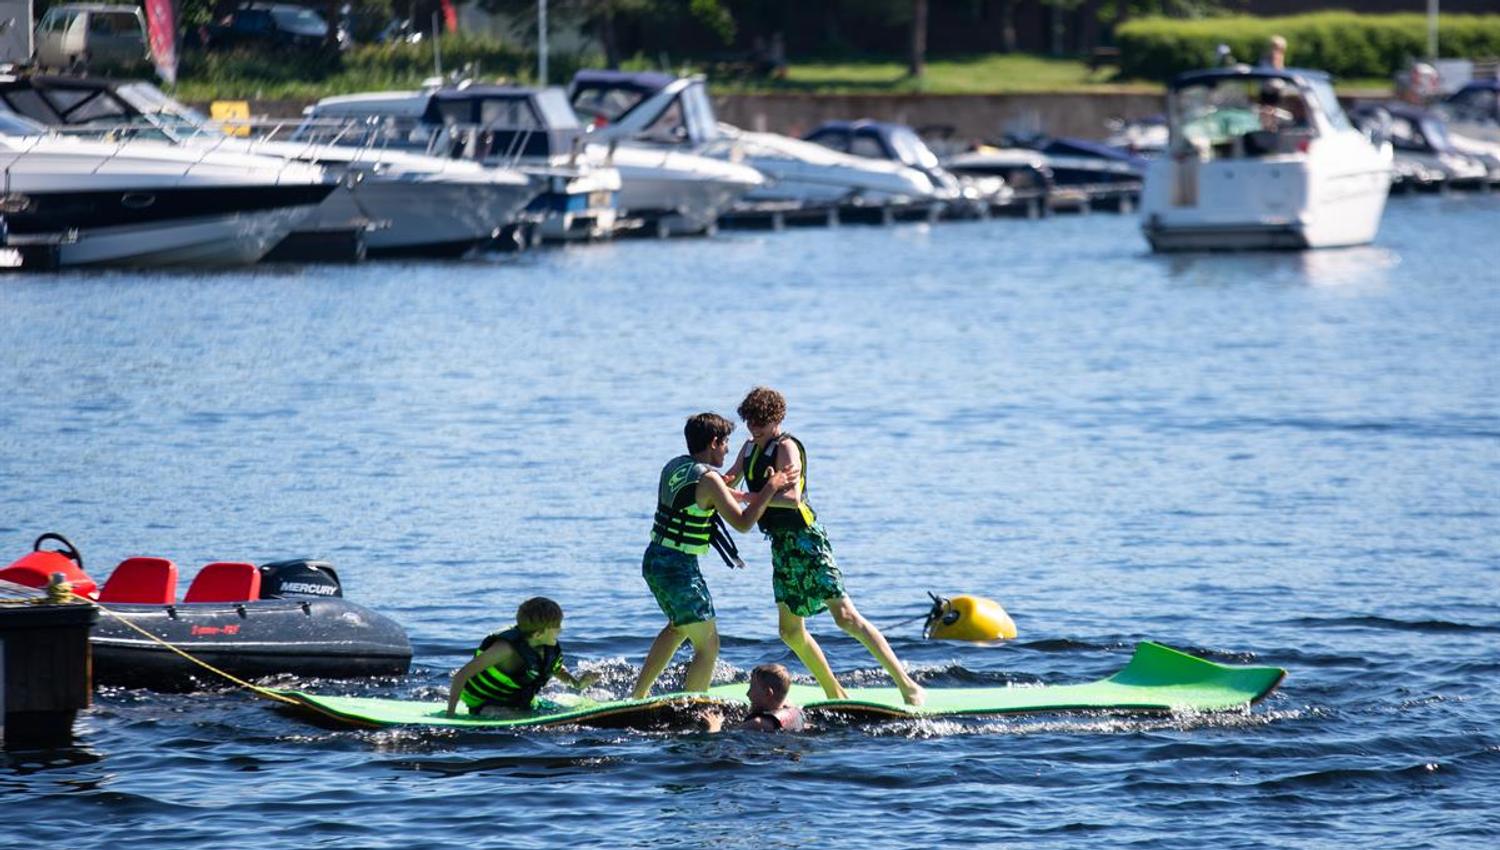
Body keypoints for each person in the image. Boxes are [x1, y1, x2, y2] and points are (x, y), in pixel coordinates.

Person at [726, 387, 924, 706]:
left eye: (761, 421)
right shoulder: (749, 449)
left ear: (778, 419)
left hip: (807, 540)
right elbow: (729, 480)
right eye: (750, 421)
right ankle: (833, 690)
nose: (754, 427)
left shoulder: (786, 447)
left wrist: (750, 498)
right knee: (790, 631)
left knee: (845, 617)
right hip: (781, 544)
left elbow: (791, 499)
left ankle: (907, 684)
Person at [630, 413, 797, 699]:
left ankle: (638, 695)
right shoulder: (709, 480)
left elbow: (713, 487)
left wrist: (743, 477)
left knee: (677, 627)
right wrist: (772, 485)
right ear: (714, 442)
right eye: (726, 443)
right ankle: (694, 705)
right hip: (677, 569)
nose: (728, 449)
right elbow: (743, 524)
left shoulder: (676, 466)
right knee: (709, 644)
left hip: (655, 560)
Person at [445, 597, 597, 717]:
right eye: (557, 626)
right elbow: (461, 675)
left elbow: (554, 670)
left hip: (515, 701)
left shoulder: (546, 648)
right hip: (486, 703)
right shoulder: (505, 649)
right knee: (519, 716)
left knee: (558, 709)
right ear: (538, 634)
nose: (561, 630)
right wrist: (450, 715)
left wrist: (577, 684)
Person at [699, 663, 805, 733]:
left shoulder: (756, 724)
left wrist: (714, 726)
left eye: (752, 688)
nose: (748, 694)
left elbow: (719, 743)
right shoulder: (793, 709)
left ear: (768, 693)